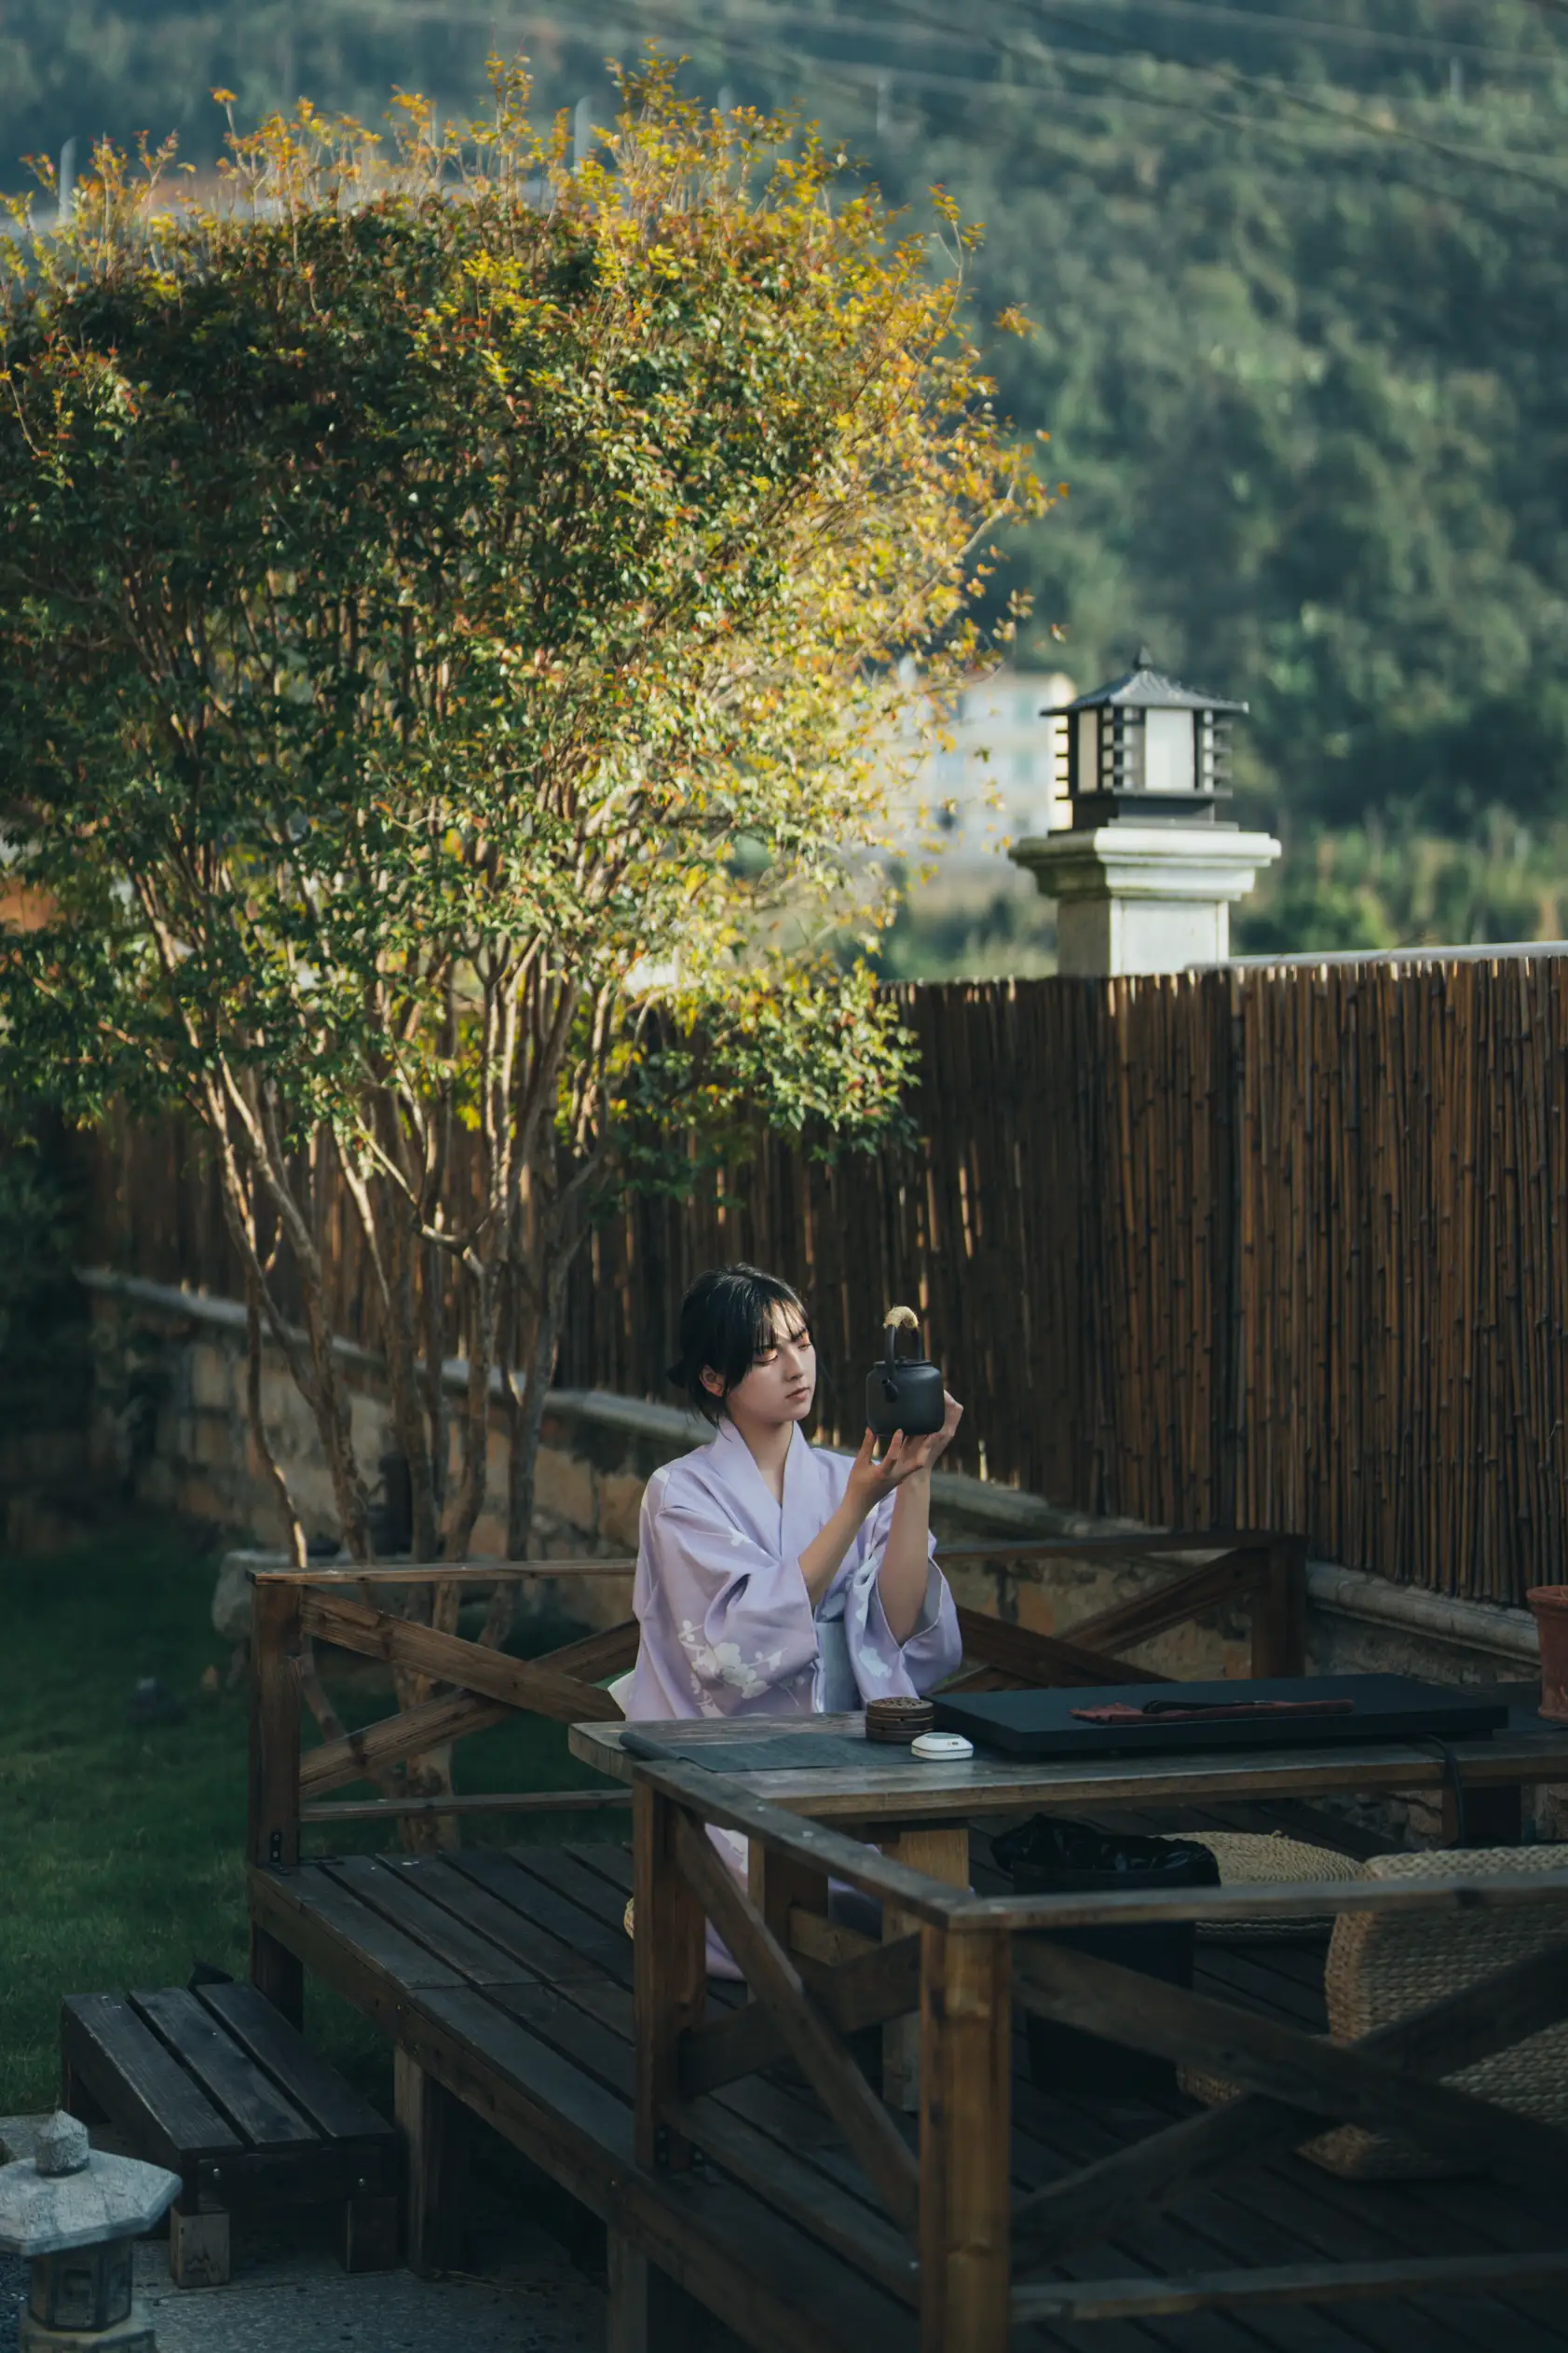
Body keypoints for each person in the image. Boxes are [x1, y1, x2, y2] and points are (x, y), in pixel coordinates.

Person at [620, 1263, 964, 1728]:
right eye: (765, 1356)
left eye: (802, 1343)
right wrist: (855, 1508)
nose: (795, 1367)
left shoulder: (850, 1477)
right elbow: (731, 1649)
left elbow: (897, 1630)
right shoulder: (681, 1492)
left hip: (849, 1742)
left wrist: (917, 1475)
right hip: (718, 1749)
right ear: (713, 1379)